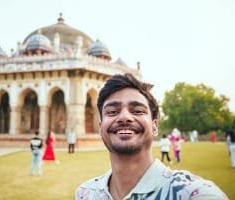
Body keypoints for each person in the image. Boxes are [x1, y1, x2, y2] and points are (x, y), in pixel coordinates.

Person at [75, 73, 228, 200]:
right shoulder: (86, 193)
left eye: (137, 111)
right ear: (101, 127)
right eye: (112, 112)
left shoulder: (192, 194)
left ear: (154, 126)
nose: (124, 117)